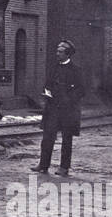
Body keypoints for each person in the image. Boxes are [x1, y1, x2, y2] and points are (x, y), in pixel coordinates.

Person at [35, 39, 82, 175]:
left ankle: (64, 167)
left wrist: (69, 99)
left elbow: (81, 90)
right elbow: (47, 84)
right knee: (47, 137)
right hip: (53, 109)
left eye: (60, 52)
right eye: (57, 51)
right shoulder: (54, 67)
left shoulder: (76, 70)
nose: (57, 54)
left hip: (68, 110)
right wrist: (46, 92)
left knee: (67, 139)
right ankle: (43, 165)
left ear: (68, 54)